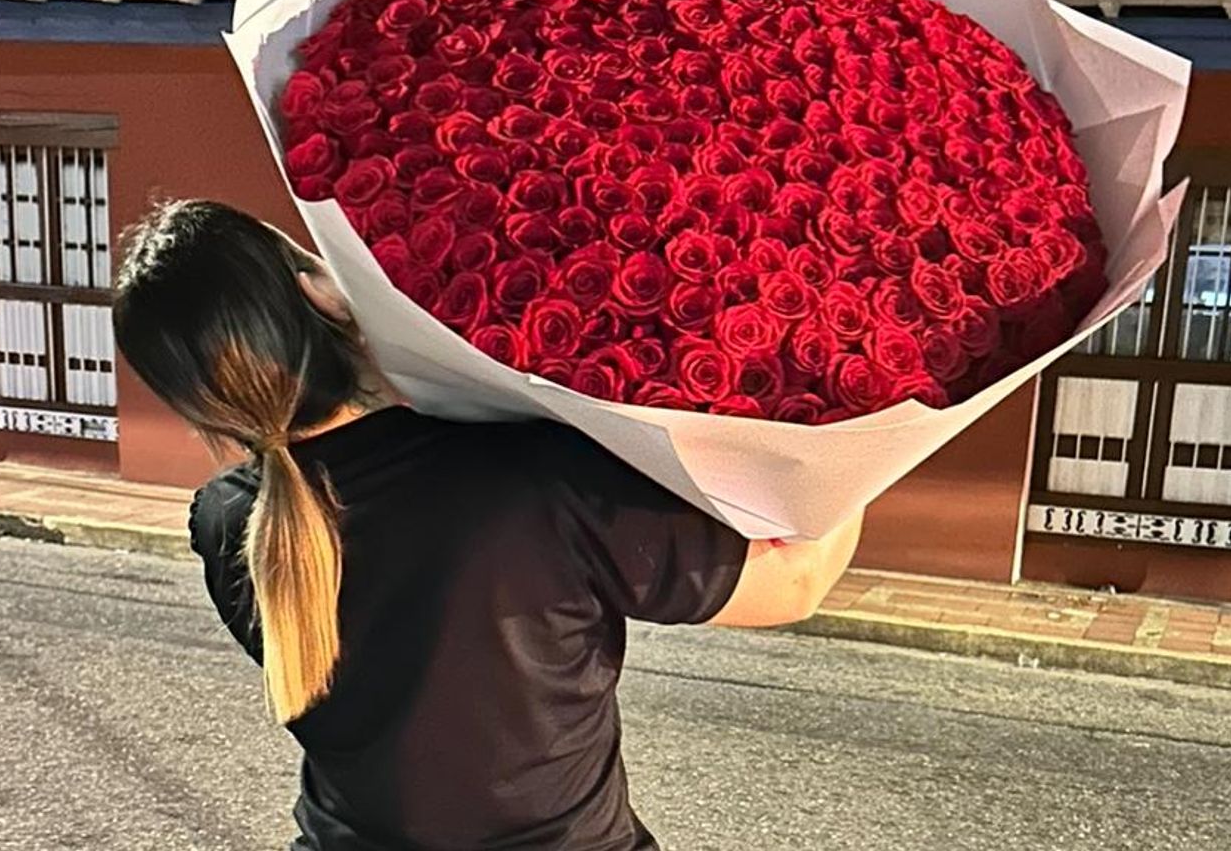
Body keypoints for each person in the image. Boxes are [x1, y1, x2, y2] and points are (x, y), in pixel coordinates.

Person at [111, 199, 865, 851]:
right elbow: (792, 582)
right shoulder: (525, 473)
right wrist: (855, 441)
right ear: (320, 294)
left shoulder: (226, 520)